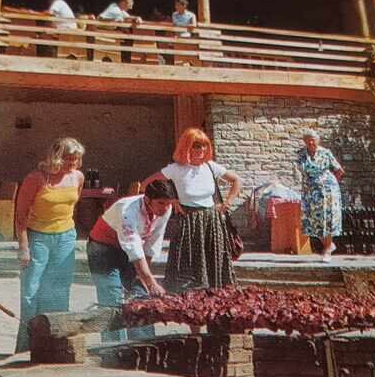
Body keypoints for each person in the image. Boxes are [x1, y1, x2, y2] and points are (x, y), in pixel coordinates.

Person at [142, 128, 241, 294]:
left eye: (204, 146)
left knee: (213, 257)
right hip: (187, 220)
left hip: (211, 220)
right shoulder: (175, 169)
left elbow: (237, 180)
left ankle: (213, 295)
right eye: (196, 146)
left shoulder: (211, 167)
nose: (201, 150)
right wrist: (171, 199)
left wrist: (228, 203)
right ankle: (185, 296)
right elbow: (147, 184)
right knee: (187, 259)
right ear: (186, 147)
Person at [12, 138, 85, 353]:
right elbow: (20, 216)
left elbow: (72, 205)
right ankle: (25, 347)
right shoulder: (36, 179)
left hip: (65, 237)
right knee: (31, 291)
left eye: (76, 159)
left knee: (59, 288)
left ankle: (54, 344)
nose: (73, 164)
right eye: (68, 160)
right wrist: (24, 247)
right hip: (38, 237)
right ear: (56, 158)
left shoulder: (78, 177)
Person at [86, 179, 177, 343]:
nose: (165, 207)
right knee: (112, 297)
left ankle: (143, 344)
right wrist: (150, 282)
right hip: (103, 248)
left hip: (129, 249)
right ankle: (113, 347)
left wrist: (143, 279)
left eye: (168, 203)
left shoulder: (166, 210)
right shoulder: (127, 209)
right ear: (147, 200)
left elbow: (152, 243)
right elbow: (133, 248)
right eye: (161, 203)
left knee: (140, 294)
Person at [295, 130, 344, 262]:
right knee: (312, 220)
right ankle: (328, 245)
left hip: (328, 191)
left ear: (318, 140)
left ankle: (327, 250)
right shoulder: (300, 155)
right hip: (310, 192)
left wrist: (331, 185)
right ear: (304, 141)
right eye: (308, 140)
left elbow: (339, 171)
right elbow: (299, 170)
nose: (311, 142)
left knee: (327, 218)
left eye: (313, 139)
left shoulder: (326, 153)